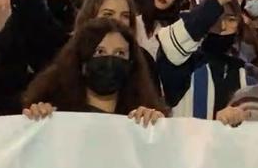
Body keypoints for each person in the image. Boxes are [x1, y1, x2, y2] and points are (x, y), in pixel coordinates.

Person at [21, 17, 166, 126]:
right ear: (81, 59)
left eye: (120, 53)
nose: (110, 60)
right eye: (100, 52)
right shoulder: (55, 114)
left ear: (132, 64)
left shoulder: (141, 117)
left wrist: (156, 126)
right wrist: (36, 119)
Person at [151, 0, 256, 119]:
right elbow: (174, 40)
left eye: (231, 19)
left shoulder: (249, 73)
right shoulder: (183, 65)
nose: (223, 26)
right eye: (216, 19)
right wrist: (217, 1)